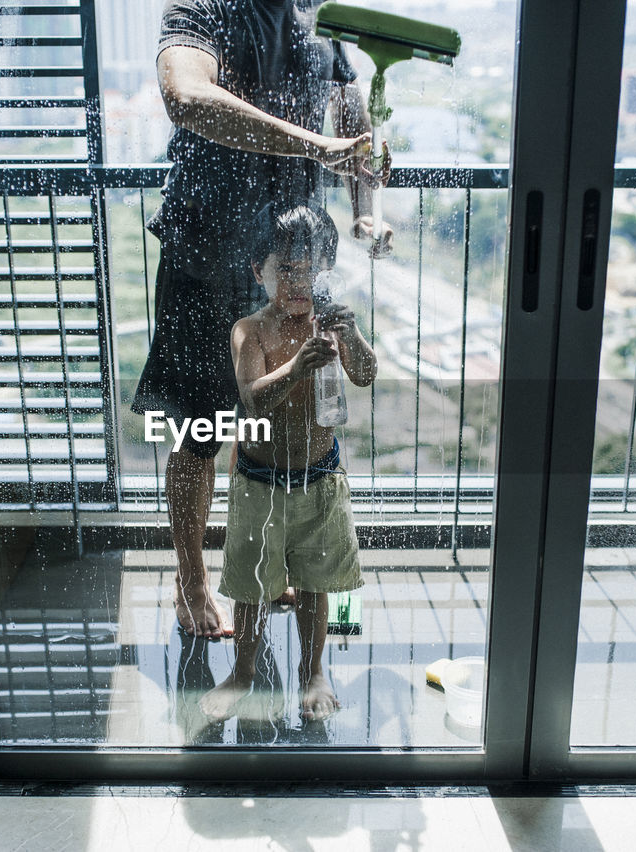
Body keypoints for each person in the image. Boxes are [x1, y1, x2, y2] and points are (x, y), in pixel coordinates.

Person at [133, 0, 392, 639]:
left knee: (276, 415)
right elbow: (187, 96)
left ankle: (265, 565)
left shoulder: (318, 20)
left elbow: (354, 119)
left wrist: (366, 204)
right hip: (208, 257)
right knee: (199, 429)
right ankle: (190, 578)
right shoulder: (206, 6)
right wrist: (318, 145)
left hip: (288, 266)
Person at [199, 203, 377, 722]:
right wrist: (298, 367)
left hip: (320, 480)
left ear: (328, 270)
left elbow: (365, 374)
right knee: (252, 589)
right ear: (260, 271)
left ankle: (313, 668)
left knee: (316, 585)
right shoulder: (250, 330)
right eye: (286, 270)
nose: (300, 282)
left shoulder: (331, 324)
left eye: (312, 269)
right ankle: (244, 672)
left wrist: (354, 337)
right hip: (259, 482)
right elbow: (252, 401)